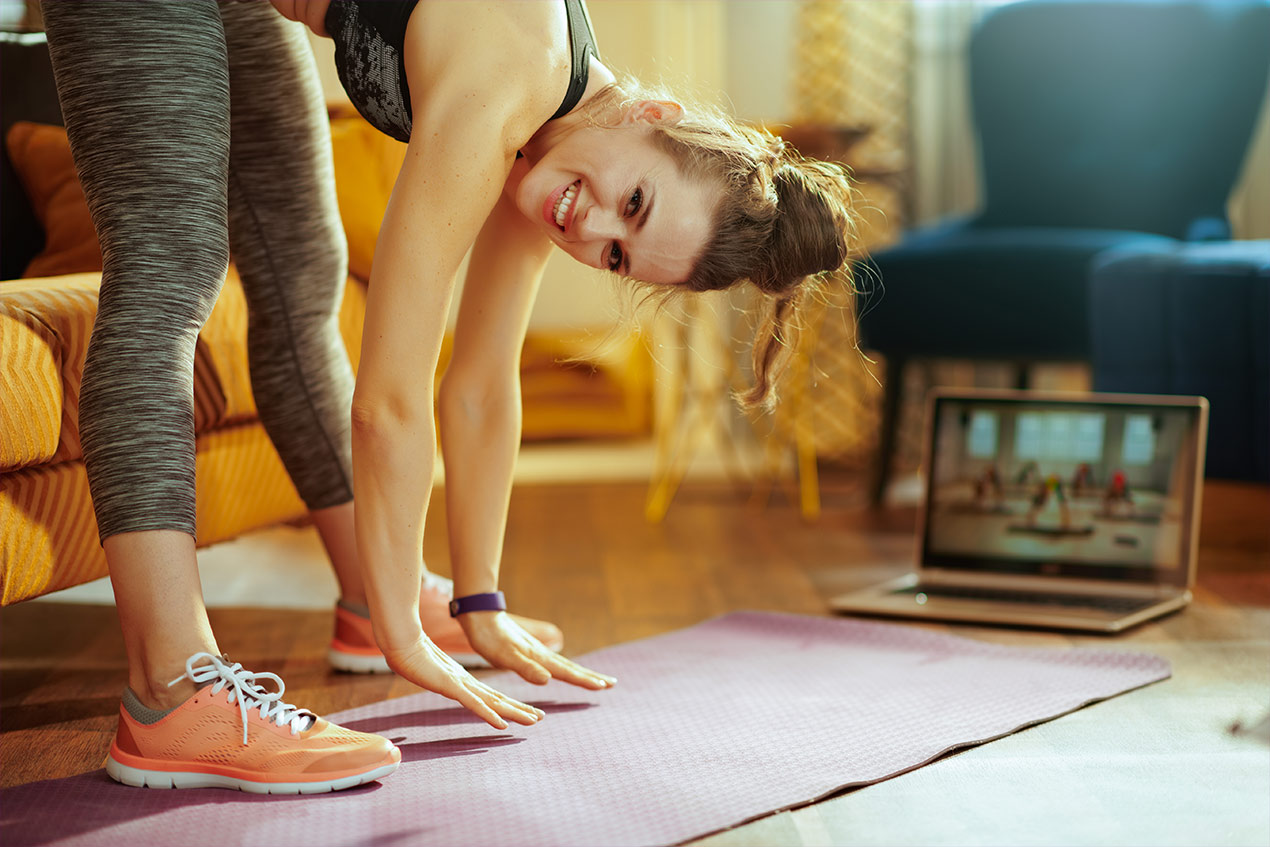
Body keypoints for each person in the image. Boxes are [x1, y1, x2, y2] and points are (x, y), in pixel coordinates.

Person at [40, 0, 857, 793]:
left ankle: (369, 592)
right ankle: (171, 690)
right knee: (169, 269)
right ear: (651, 113)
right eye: (634, 202)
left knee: (301, 288)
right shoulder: (510, 76)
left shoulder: (566, 130)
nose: (592, 225)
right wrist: (405, 637)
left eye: (616, 254)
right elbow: (391, 398)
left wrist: (481, 600)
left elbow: (481, 384)